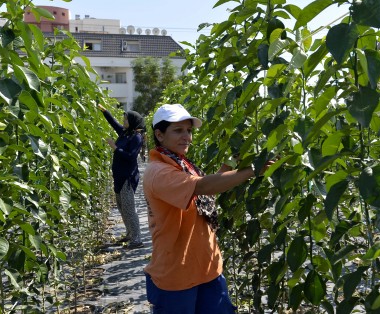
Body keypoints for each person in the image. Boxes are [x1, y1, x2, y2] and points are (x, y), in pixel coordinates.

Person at [143, 103, 272, 313]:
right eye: (178, 130)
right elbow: (202, 186)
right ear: (159, 134)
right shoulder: (159, 172)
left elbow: (206, 190)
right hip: (177, 275)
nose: (187, 137)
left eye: (189, 130)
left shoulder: (182, 164)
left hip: (208, 268)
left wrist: (230, 163)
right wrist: (252, 171)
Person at [98, 103, 146, 249]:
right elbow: (113, 123)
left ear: (132, 122)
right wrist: (104, 110)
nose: (123, 122)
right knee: (121, 207)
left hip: (127, 177)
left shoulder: (136, 137)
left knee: (129, 208)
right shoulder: (125, 133)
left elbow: (131, 157)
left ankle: (137, 239)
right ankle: (129, 234)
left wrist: (115, 148)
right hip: (119, 176)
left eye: (125, 120)